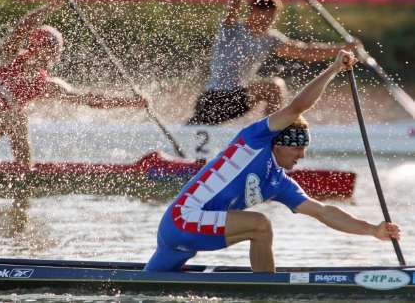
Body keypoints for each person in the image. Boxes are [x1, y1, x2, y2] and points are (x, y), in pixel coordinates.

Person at [144, 50, 401, 272]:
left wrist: (373, 230)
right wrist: (334, 68)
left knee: (148, 281)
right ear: (278, 143)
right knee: (261, 224)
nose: (302, 156)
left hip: (185, 233)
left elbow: (323, 212)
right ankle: (265, 289)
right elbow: (296, 107)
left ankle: (264, 286)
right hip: (183, 219)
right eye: (298, 149)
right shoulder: (254, 140)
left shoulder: (278, 182)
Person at [0, 1, 146, 234]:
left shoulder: (45, 85)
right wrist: (55, 3)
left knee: (16, 118)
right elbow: (22, 26)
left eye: (56, 50)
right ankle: (26, 178)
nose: (54, 56)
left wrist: (132, 102)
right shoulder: (6, 59)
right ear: (35, 47)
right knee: (16, 118)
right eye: (50, 49)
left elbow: (89, 100)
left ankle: (25, 181)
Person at [187, 0, 358, 125]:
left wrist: (342, 49)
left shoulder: (271, 39)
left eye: (270, 18)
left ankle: (271, 139)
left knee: (275, 88)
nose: (266, 21)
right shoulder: (230, 30)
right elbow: (234, 3)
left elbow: (305, 51)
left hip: (237, 100)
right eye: (262, 16)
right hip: (212, 101)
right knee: (273, 87)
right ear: (251, 12)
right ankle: (272, 136)